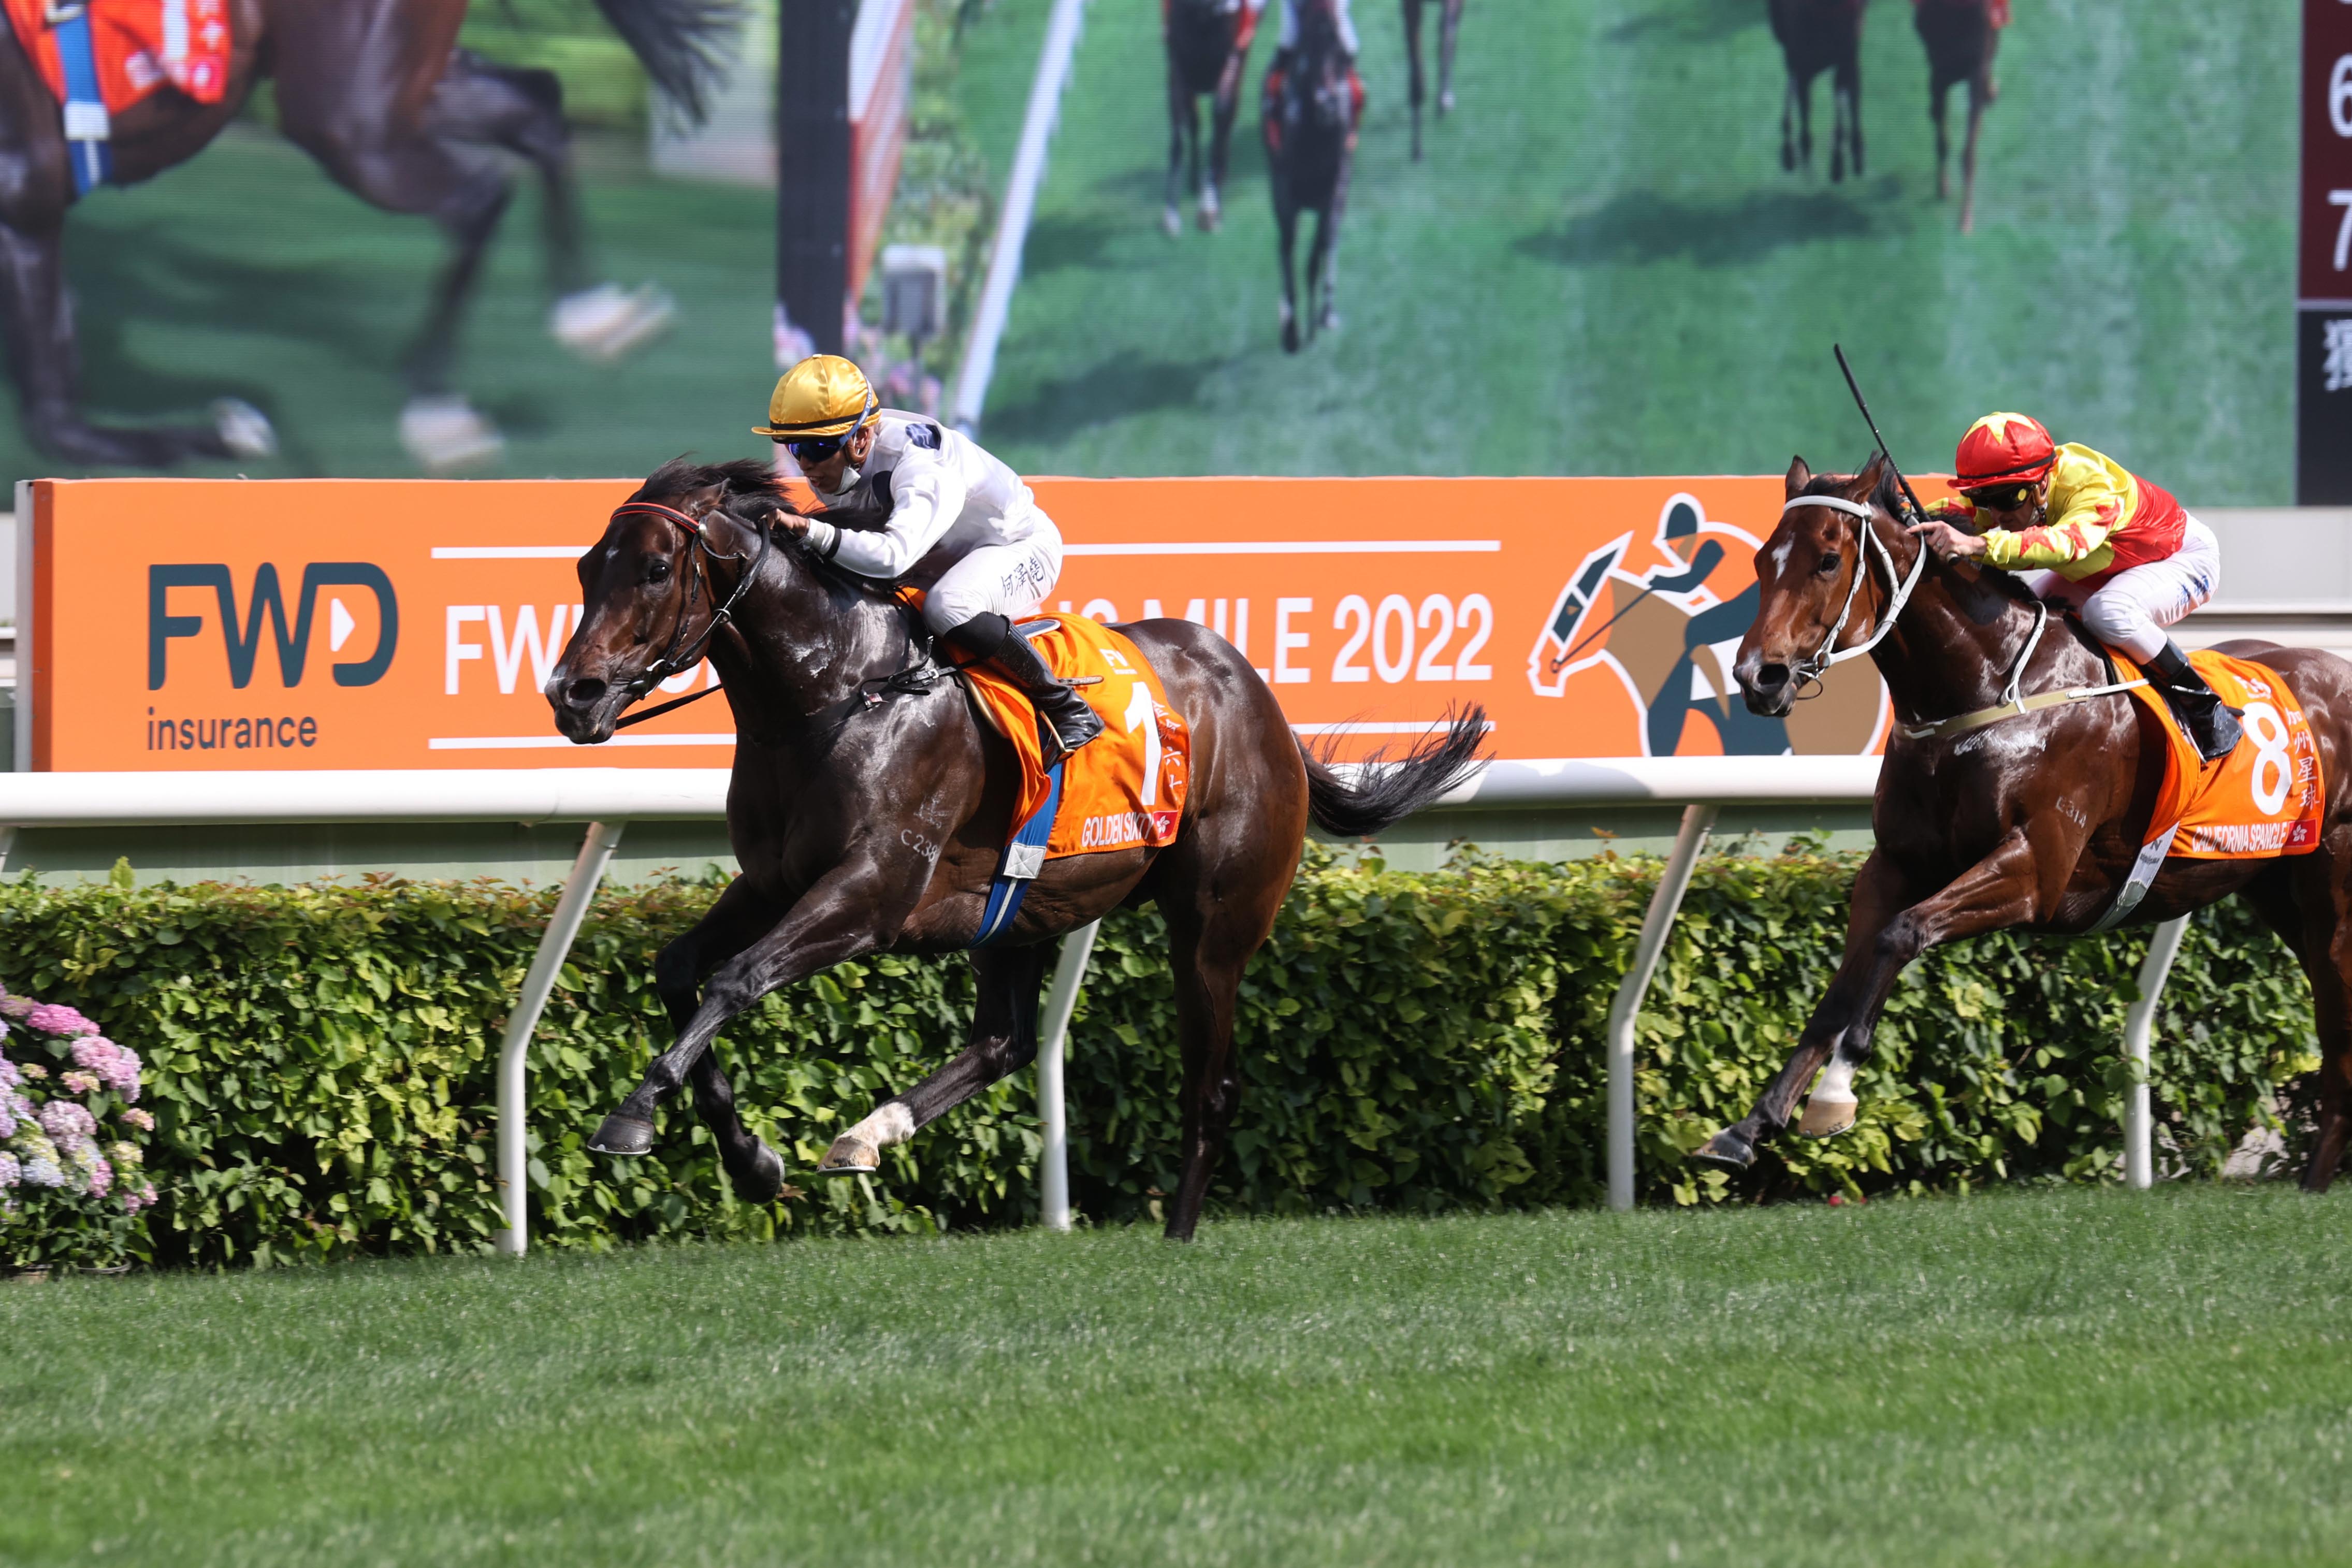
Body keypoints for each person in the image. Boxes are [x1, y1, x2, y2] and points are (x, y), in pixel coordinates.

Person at [755, 354, 1104, 760]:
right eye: (795, 447)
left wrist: (807, 529)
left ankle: (1065, 706)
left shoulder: (920, 466)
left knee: (948, 606)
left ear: (861, 438)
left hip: (1019, 547)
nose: (806, 463)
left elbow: (892, 559)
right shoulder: (841, 464)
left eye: (818, 446)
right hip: (938, 558)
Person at [1906, 412, 2242, 762]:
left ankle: (2206, 708)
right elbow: (1958, 510)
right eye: (1983, 498)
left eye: (2006, 499)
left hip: (2180, 558)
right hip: (2104, 566)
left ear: (2041, 485)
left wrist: (1976, 545)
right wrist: (1901, 513)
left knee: (2109, 612)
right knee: (2028, 620)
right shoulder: (2015, 493)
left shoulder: (2092, 483)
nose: (1996, 513)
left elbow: (2065, 546)